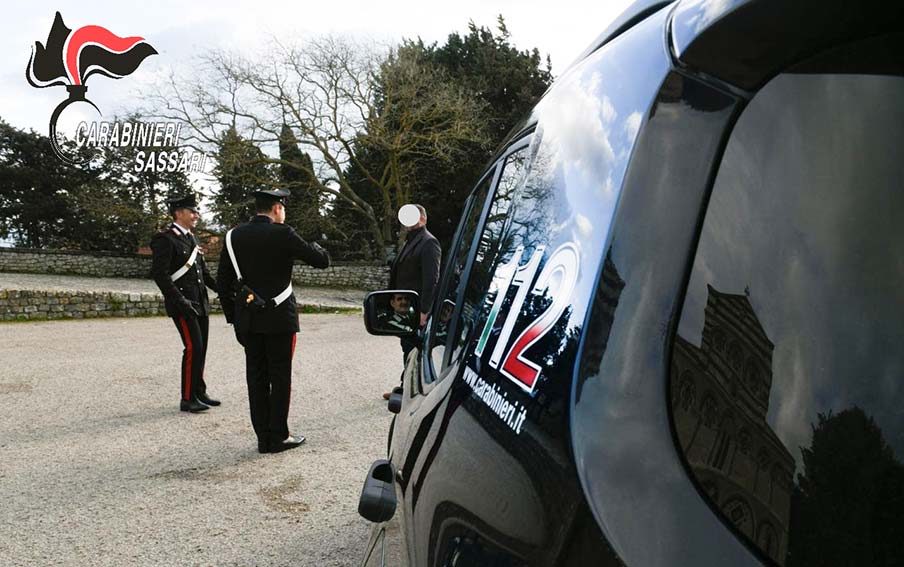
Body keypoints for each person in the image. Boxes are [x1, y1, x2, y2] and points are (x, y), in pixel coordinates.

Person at [216, 189, 330, 454]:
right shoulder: (284, 234)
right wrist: (317, 245)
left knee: (256, 378)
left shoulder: (233, 236)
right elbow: (321, 261)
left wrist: (234, 318)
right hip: (280, 318)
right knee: (280, 378)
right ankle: (279, 435)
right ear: (277, 208)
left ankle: (262, 438)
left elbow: (224, 283)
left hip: (248, 321)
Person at [150, 195, 220, 413]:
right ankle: (187, 398)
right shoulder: (165, 239)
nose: (196, 215)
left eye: (196, 211)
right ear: (179, 213)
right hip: (183, 304)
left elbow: (204, 274)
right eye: (192, 211)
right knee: (193, 348)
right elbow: (160, 275)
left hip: (199, 302)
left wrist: (225, 291)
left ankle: (199, 391)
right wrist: (179, 301)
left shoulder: (192, 239)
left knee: (202, 349)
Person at [384, 204, 441, 398]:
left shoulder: (429, 243)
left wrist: (424, 311)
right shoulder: (410, 242)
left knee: (413, 349)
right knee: (406, 347)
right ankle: (405, 386)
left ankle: (410, 392)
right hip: (403, 307)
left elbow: (431, 280)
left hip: (416, 308)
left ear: (423, 219)